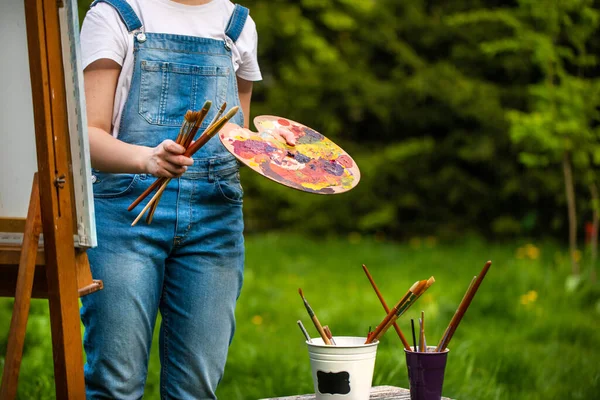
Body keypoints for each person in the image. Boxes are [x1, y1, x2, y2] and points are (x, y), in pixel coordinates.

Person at [79, 0, 278, 398]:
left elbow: (235, 137)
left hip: (214, 217)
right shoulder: (116, 15)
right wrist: (146, 158)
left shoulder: (237, 24)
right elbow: (85, 136)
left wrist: (278, 154)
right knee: (115, 383)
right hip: (126, 213)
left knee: (196, 390)